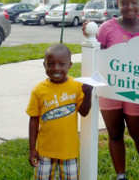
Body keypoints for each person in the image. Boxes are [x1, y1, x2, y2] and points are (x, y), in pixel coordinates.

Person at [82, 0, 139, 180]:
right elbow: (96, 55)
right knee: (115, 134)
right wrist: (89, 34)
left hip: (137, 92)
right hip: (110, 90)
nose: (130, 7)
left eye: (134, 2)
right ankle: (120, 175)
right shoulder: (107, 28)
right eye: (124, 2)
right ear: (118, 3)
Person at [26, 43, 93, 180]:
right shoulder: (39, 90)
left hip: (69, 150)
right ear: (44, 65)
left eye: (61, 64)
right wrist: (32, 148)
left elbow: (84, 112)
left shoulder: (76, 85)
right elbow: (33, 119)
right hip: (44, 151)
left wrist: (88, 94)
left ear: (70, 65)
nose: (56, 68)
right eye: (50, 64)